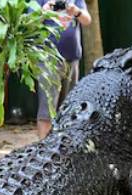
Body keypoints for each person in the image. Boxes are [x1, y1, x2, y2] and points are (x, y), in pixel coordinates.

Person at [36, 0, 92, 139]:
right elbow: (30, 23)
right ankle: (44, 151)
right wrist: (44, 11)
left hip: (72, 60)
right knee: (46, 111)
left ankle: (64, 150)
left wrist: (76, 11)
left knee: (70, 109)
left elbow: (87, 20)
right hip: (47, 60)